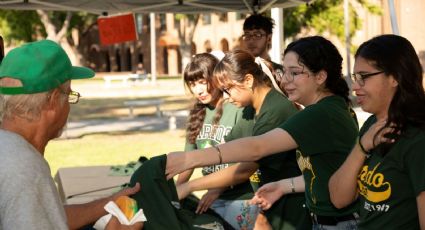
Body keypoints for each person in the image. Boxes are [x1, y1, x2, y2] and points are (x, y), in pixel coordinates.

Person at [166, 36, 360, 229]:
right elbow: (323, 172)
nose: (285, 80)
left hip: (338, 221)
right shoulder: (326, 109)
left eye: (294, 73)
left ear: (320, 76)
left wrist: (190, 161)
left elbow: (256, 148)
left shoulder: (319, 112)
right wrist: (284, 186)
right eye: (285, 72)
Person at [0, 40, 142, 230]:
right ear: (51, 100)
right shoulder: (24, 170)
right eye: (69, 96)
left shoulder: (9, 149)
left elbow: (45, 215)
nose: (68, 106)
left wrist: (109, 203)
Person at [176, 50, 310, 230]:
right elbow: (227, 149)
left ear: (248, 81)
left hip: (291, 207)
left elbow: (245, 168)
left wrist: (190, 186)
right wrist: (184, 163)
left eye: (228, 89)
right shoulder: (250, 110)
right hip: (271, 203)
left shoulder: (274, 112)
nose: (227, 97)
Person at [329, 34, 425, 229]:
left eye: (363, 77)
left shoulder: (417, 137)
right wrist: (362, 146)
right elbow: (338, 198)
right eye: (356, 78)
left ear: (395, 77)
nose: (355, 87)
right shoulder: (373, 124)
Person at [176, 53, 259, 230]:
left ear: (215, 77)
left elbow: (247, 160)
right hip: (212, 197)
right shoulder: (197, 113)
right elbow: (188, 160)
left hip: (241, 198)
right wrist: (176, 191)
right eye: (192, 84)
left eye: (201, 81)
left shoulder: (237, 107)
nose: (198, 90)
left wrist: (217, 189)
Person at [242, 14, 285, 90]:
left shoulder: (280, 72)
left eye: (257, 35)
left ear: (269, 38)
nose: (251, 40)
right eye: (247, 35)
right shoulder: (239, 71)